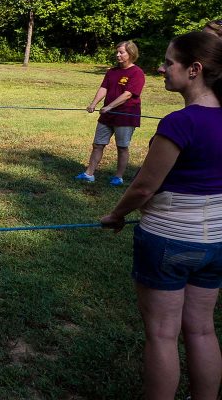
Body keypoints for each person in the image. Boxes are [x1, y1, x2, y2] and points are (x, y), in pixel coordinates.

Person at [101, 31, 222, 400]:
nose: (162, 68)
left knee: (162, 334)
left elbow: (143, 187)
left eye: (169, 62)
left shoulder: (179, 123)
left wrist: (116, 215)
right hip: (215, 243)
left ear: (194, 69)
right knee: (201, 329)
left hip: (168, 242)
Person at [75, 41, 145, 186]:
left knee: (122, 146)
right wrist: (93, 104)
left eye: (121, 52)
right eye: (117, 52)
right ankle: (89, 174)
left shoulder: (137, 73)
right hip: (107, 115)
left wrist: (110, 106)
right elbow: (103, 88)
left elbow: (128, 95)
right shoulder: (112, 72)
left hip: (126, 115)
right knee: (98, 144)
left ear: (131, 54)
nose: (117, 55)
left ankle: (118, 177)